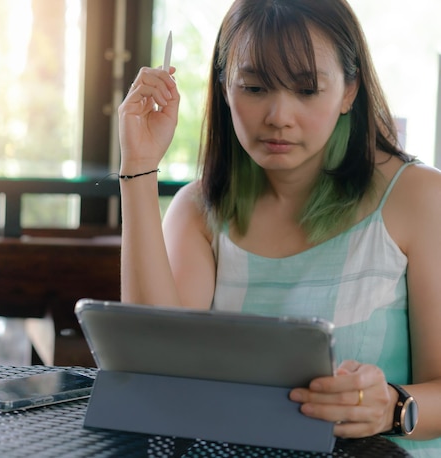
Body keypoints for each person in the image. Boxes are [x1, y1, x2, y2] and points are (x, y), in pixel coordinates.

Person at [117, 0, 441, 456]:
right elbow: (152, 372)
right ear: (225, 88)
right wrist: (138, 166)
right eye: (253, 86)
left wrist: (393, 405)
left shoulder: (420, 198)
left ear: (350, 90)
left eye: (307, 89)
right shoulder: (199, 210)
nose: (278, 116)